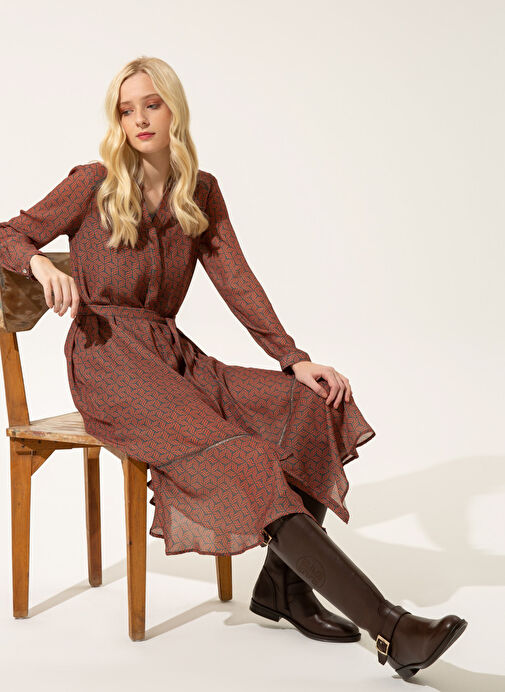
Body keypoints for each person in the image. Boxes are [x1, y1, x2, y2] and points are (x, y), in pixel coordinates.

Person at [0, 55, 467, 678]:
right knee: (242, 457)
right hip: (108, 362)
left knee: (310, 404)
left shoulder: (200, 191)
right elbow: (6, 234)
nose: (140, 118)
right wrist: (39, 263)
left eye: (152, 104)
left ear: (174, 109)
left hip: (174, 356)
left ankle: (283, 590)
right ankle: (391, 628)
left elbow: (237, 281)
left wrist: (293, 359)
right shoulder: (93, 182)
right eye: (126, 109)